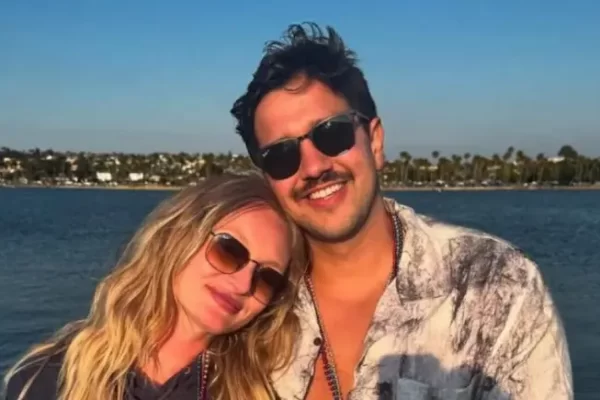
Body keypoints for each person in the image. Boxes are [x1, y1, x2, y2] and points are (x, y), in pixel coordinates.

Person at [230, 22, 573, 400]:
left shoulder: (494, 284)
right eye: (281, 156)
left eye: (331, 133)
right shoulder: (248, 295)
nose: (313, 167)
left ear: (375, 142)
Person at [2, 173, 307, 400]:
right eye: (230, 250)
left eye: (267, 278)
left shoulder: (264, 390)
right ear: (179, 237)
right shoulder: (45, 378)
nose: (243, 284)